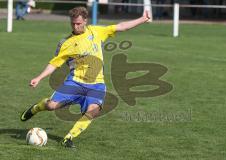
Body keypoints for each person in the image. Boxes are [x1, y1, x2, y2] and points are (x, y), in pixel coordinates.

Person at [20, 6, 150, 148]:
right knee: (51, 105)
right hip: (75, 82)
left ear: (85, 21)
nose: (75, 27)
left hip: (97, 84)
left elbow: (121, 27)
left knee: (93, 110)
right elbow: (54, 64)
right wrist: (39, 77)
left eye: (78, 24)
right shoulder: (67, 43)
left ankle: (68, 138)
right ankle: (36, 108)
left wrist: (142, 19)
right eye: (73, 24)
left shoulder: (97, 31)